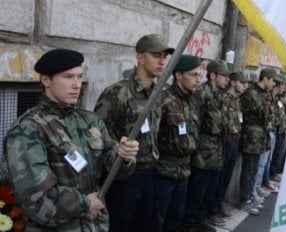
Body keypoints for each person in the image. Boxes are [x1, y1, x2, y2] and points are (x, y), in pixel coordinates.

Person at [4, 48, 139, 232]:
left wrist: (123, 156)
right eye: (68, 77)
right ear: (46, 80)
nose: (77, 84)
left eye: (79, 76)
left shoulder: (90, 120)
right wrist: (84, 205)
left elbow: (111, 166)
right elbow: (37, 198)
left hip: (95, 226)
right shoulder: (29, 129)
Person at [94, 34, 174, 232]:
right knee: (120, 225)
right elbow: (97, 136)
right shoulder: (117, 93)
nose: (162, 61)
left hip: (149, 173)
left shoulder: (158, 94)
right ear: (140, 58)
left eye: (164, 56)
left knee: (145, 225)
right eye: (156, 55)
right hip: (123, 177)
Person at [152, 55, 201, 232]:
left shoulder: (192, 101)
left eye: (199, 75)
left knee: (176, 217)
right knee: (157, 218)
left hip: (184, 170)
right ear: (179, 75)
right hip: (163, 171)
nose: (198, 79)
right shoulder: (163, 100)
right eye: (194, 75)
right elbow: (152, 137)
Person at [182, 60, 231, 231]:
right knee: (197, 190)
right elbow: (195, 124)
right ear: (212, 75)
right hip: (202, 153)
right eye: (224, 76)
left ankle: (200, 220)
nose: (227, 79)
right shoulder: (201, 93)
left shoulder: (217, 94)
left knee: (208, 190)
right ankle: (190, 223)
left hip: (215, 151)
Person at [209, 70, 249, 220]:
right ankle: (213, 209)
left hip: (235, 138)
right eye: (242, 83)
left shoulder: (237, 99)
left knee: (226, 177)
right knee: (219, 178)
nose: (245, 86)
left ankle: (218, 206)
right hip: (226, 140)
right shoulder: (224, 98)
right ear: (233, 83)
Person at [239, 68, 278, 215]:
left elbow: (271, 115)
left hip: (260, 137)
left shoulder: (265, 93)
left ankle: (249, 196)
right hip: (251, 138)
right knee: (248, 170)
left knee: (254, 170)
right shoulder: (252, 93)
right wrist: (269, 117)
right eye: (273, 80)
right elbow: (265, 115)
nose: (274, 84)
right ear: (266, 78)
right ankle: (244, 200)